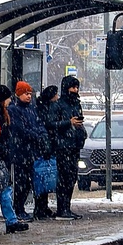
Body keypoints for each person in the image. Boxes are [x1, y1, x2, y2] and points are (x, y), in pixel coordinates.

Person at [0, 84, 28, 234]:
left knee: (3, 189)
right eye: (8, 98)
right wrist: (3, 149)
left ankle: (10, 220)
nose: (10, 101)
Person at [51, 77, 88, 220]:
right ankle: (62, 208)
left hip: (74, 146)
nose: (75, 90)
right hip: (63, 147)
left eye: (77, 88)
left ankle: (67, 206)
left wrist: (80, 129)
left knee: (72, 178)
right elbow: (51, 124)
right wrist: (68, 123)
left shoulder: (76, 104)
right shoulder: (58, 105)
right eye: (73, 87)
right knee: (64, 178)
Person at [9, 81, 45, 221]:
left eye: (30, 93)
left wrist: (39, 134)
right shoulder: (14, 109)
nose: (29, 96)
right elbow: (20, 130)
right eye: (26, 93)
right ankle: (18, 208)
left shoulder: (31, 108)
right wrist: (36, 135)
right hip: (20, 152)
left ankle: (20, 208)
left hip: (30, 152)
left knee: (28, 182)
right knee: (21, 182)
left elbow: (38, 124)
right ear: (19, 94)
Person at [34, 86, 62, 219]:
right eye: (55, 95)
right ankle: (40, 208)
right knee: (42, 179)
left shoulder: (43, 107)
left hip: (46, 147)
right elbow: (48, 126)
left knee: (43, 179)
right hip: (43, 148)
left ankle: (42, 207)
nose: (57, 97)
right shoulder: (45, 109)